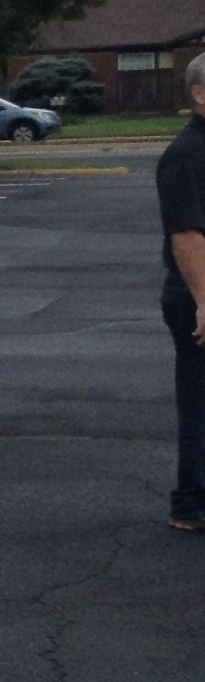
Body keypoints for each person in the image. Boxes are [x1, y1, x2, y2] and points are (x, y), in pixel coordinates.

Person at [157, 50, 205, 529]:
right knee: (200, 404)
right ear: (199, 93)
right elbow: (187, 235)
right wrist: (204, 301)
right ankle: (191, 503)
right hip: (195, 294)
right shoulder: (187, 154)